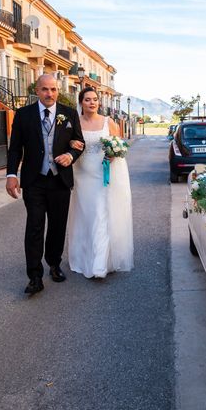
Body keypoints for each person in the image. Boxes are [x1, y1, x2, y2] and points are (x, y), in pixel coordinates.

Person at [6, 74, 85, 295]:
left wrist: (71, 155)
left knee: (58, 226)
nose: (49, 94)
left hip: (60, 180)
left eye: (53, 89)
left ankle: (54, 263)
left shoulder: (69, 114)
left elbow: (79, 143)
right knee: (34, 227)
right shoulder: (23, 115)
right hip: (34, 181)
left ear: (57, 91)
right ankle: (34, 276)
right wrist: (11, 174)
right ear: (37, 90)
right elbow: (15, 149)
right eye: (44, 89)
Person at [67, 86, 133, 278]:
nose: (92, 102)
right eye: (87, 99)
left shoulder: (108, 122)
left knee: (99, 213)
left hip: (102, 175)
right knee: (83, 215)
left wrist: (114, 154)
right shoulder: (74, 122)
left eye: (95, 99)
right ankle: (82, 256)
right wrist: (71, 144)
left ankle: (99, 264)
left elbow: (119, 144)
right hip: (81, 175)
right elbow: (66, 142)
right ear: (81, 103)